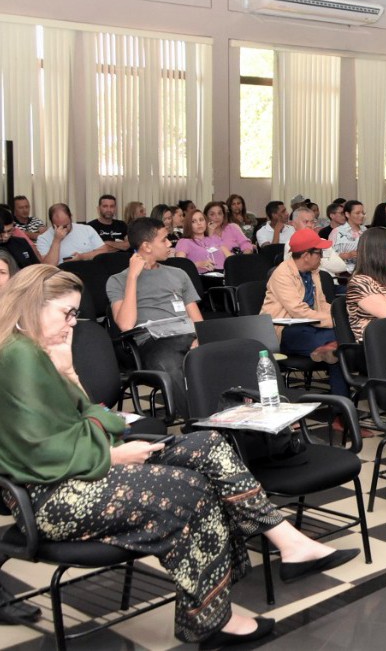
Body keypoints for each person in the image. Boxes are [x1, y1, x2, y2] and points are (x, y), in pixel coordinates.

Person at [0, 264, 357, 646]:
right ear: (32, 305)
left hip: (83, 466)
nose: (73, 324)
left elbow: (95, 416)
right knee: (190, 489)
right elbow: (48, 451)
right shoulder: (19, 356)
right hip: (53, 496)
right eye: (66, 313)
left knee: (206, 446)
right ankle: (211, 615)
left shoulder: (38, 350)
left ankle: (281, 550)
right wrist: (111, 451)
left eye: (75, 313)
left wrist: (73, 380)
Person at [108, 218, 203, 410]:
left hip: (187, 335)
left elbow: (197, 319)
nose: (170, 244)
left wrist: (200, 338)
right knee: (169, 361)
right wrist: (133, 277)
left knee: (229, 348)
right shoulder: (117, 280)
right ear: (146, 246)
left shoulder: (179, 274)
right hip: (152, 343)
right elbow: (126, 325)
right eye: (164, 240)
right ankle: (196, 422)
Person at [261, 229, 351, 404]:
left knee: (339, 351)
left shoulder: (314, 272)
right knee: (340, 343)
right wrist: (333, 322)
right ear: (306, 255)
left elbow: (322, 304)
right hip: (284, 330)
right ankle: (341, 411)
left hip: (311, 326)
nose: (322, 257)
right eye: (319, 253)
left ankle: (340, 409)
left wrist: (339, 316)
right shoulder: (282, 274)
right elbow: (299, 311)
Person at [37, 203, 109, 265]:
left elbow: (104, 251)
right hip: (62, 275)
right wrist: (56, 240)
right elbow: (48, 266)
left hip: (89, 270)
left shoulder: (87, 229)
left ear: (71, 217)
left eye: (65, 226)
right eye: (58, 226)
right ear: (52, 223)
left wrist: (82, 257)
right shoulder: (43, 238)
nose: (63, 230)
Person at [329, 199, 366, 273]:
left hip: (364, 271)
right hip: (344, 272)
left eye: (363, 213)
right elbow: (329, 255)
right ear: (347, 214)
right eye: (357, 213)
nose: (362, 216)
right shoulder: (337, 232)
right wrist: (347, 255)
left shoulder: (365, 230)